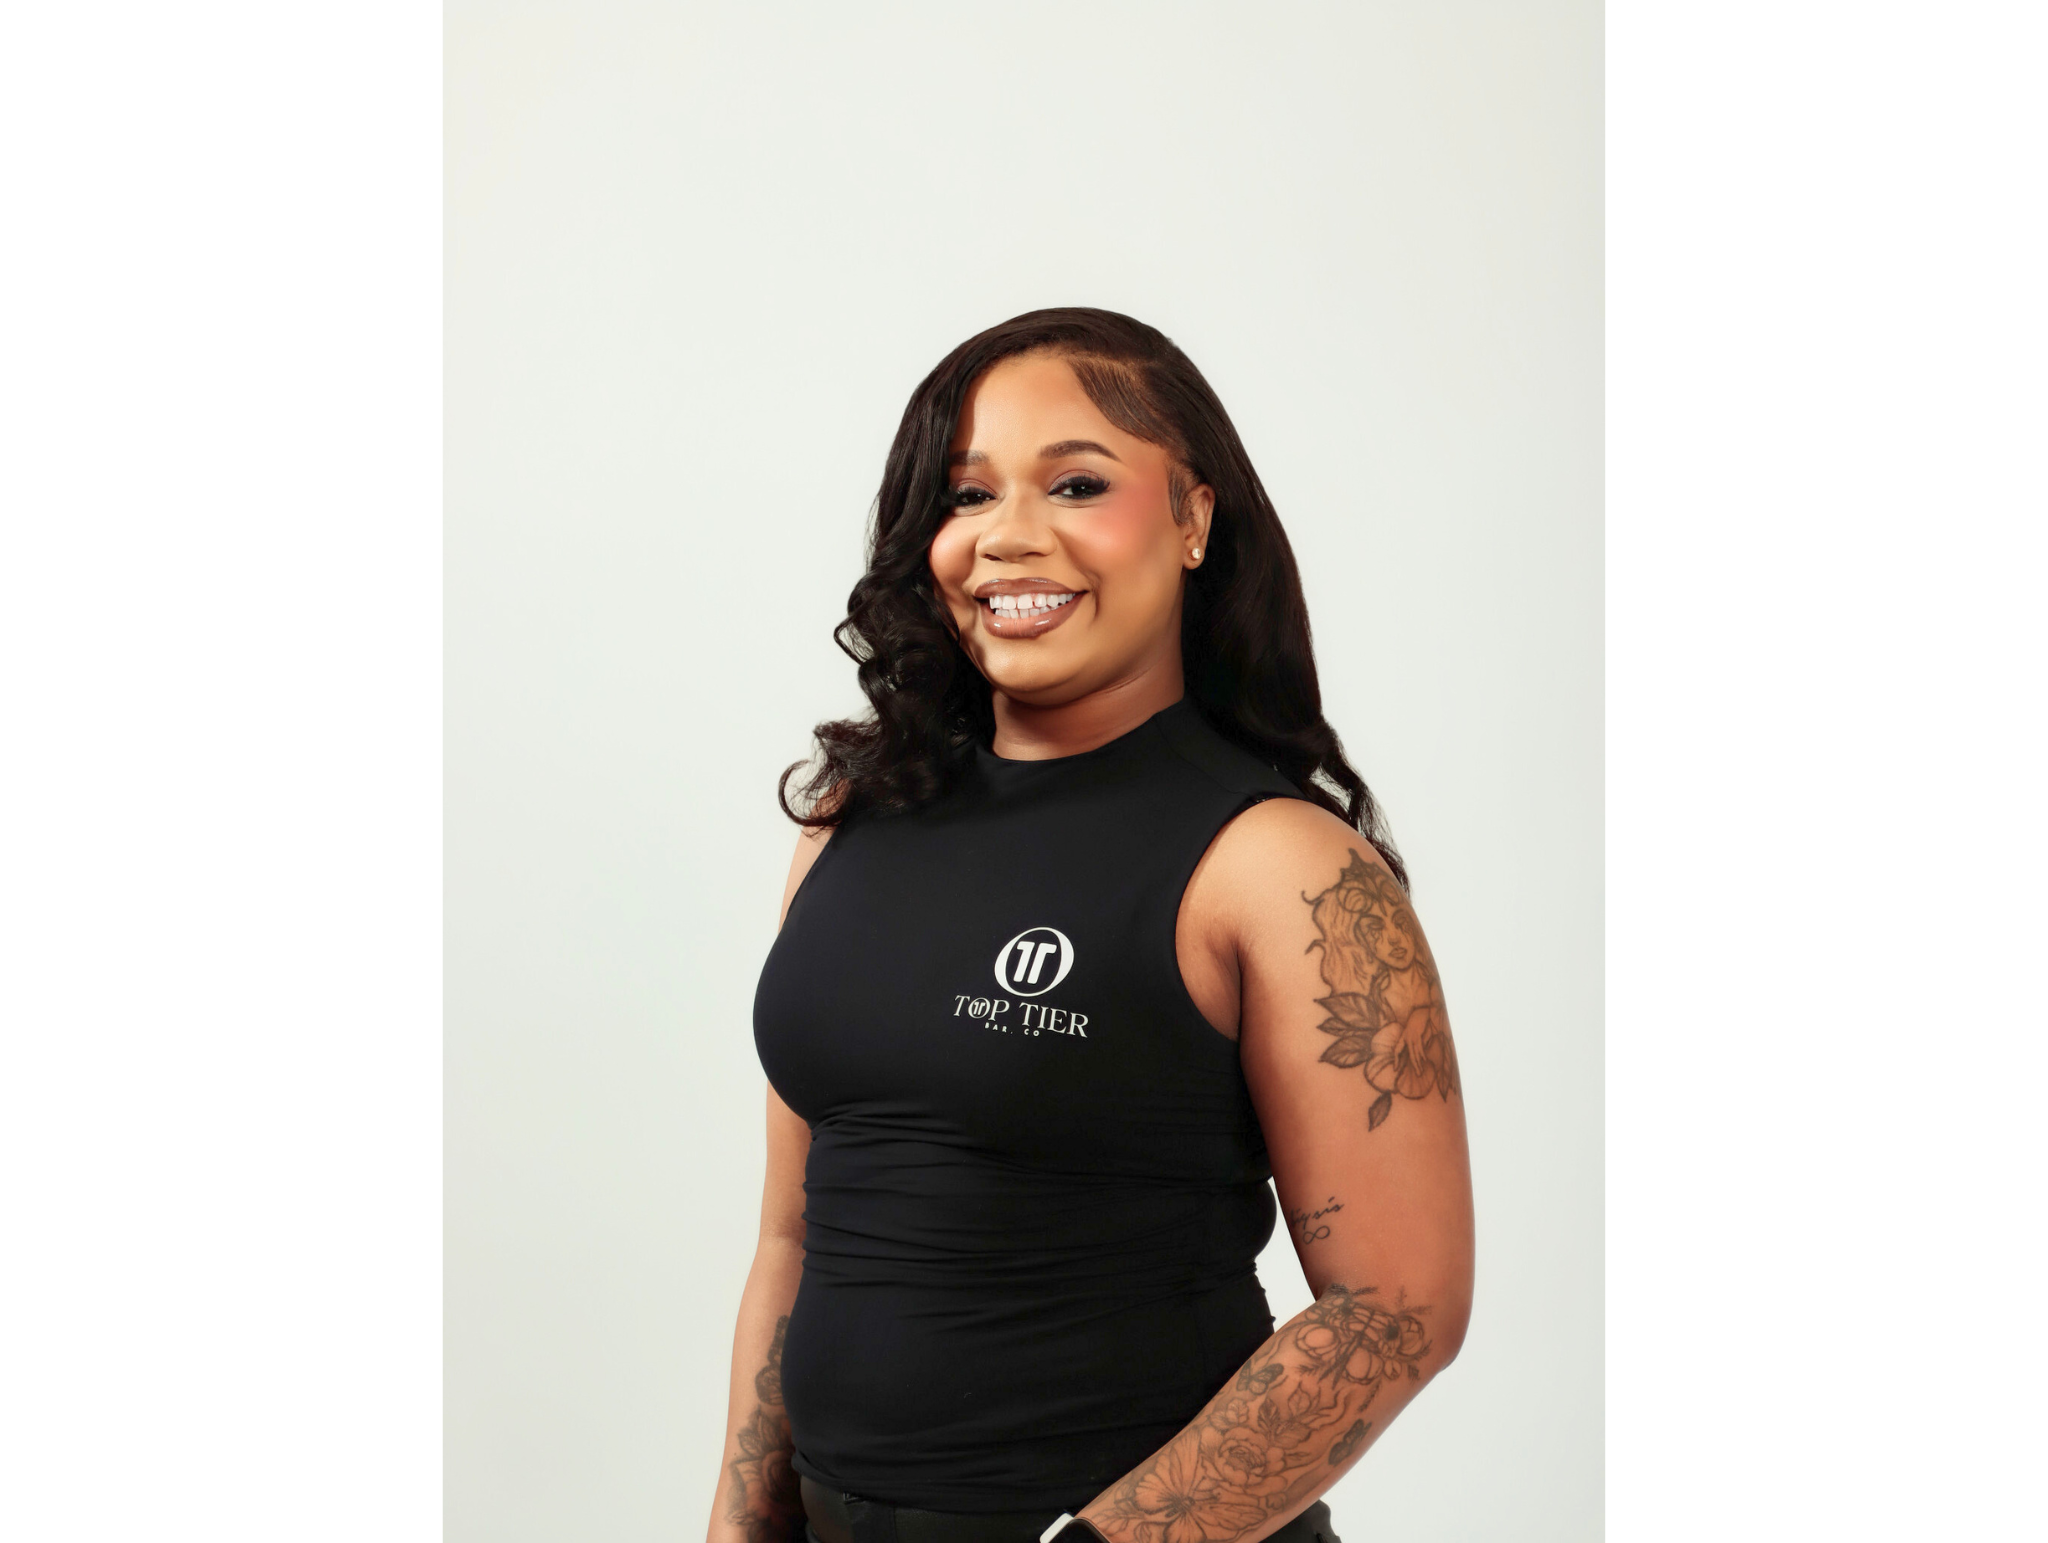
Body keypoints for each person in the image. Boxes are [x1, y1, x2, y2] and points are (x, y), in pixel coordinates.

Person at [712, 309, 1473, 1543]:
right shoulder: (850, 822)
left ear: (1191, 519)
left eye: (1075, 483)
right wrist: (740, 1521)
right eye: (966, 494)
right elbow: (792, 1233)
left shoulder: (1280, 867)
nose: (1007, 535)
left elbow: (1397, 1305)